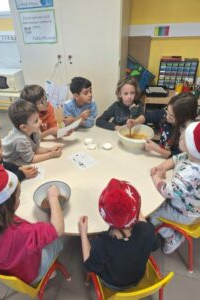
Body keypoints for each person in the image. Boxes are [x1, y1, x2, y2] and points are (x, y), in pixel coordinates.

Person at [0, 163, 64, 285]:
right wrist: (53, 197)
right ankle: (48, 270)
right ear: (10, 204)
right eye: (18, 195)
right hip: (29, 274)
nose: (19, 198)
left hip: (3, 269)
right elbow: (58, 229)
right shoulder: (23, 232)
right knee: (58, 241)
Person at [78, 178, 159, 290]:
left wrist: (83, 233)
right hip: (139, 277)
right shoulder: (147, 230)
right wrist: (134, 211)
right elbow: (155, 245)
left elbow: (89, 265)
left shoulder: (101, 243)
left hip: (113, 284)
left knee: (93, 248)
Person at [149, 121, 200, 254]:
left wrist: (156, 178)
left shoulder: (192, 172)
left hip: (185, 213)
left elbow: (168, 192)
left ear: (191, 147)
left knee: (153, 212)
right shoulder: (193, 157)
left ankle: (172, 238)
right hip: (190, 206)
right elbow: (176, 159)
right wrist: (162, 167)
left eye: (184, 138)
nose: (180, 138)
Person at [2, 99, 62, 165]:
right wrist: (50, 155)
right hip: (7, 161)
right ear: (24, 127)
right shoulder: (20, 139)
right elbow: (30, 159)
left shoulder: (33, 129)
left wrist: (50, 149)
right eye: (36, 121)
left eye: (38, 118)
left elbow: (35, 149)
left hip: (19, 156)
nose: (40, 121)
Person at [145, 92, 198, 158]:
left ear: (183, 119)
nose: (167, 117)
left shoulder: (186, 135)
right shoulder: (167, 114)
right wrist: (135, 121)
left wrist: (157, 149)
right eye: (167, 111)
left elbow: (178, 157)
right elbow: (147, 116)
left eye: (171, 116)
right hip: (161, 156)